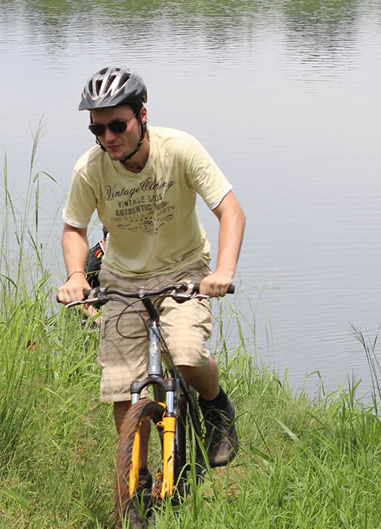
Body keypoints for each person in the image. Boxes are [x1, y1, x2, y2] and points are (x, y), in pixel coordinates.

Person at [56, 66, 247, 467]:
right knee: (122, 387)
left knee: (186, 354)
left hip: (183, 269)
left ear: (142, 117)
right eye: (98, 130)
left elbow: (230, 211)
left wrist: (222, 271)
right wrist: (76, 276)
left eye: (117, 125)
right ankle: (136, 479)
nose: (108, 138)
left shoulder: (180, 149)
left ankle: (215, 406)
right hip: (122, 278)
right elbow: (74, 227)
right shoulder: (90, 169)